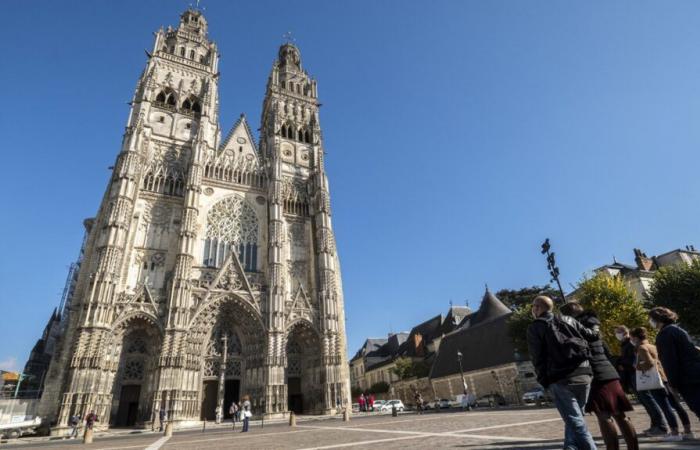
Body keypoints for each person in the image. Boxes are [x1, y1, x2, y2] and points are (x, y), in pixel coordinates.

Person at [561, 302, 638, 450]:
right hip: (609, 372)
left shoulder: (575, 328)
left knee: (604, 416)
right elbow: (606, 352)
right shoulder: (594, 326)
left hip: (594, 374)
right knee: (620, 415)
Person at [527, 295, 598, 450]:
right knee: (576, 418)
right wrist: (594, 321)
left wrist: (544, 380)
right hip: (584, 374)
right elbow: (592, 336)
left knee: (575, 421)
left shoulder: (535, 327)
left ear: (538, 308)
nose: (532, 310)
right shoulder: (569, 320)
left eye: (533, 306)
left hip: (561, 379)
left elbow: (537, 357)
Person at [631, 327, 683, 441]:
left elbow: (649, 363)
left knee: (665, 406)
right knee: (673, 405)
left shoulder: (641, 347)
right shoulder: (651, 345)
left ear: (635, 337)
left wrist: (637, 367)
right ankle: (683, 429)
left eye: (632, 337)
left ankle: (674, 432)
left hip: (654, 380)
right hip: (662, 377)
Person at [650, 306, 700, 424]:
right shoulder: (677, 330)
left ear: (658, 319)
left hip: (687, 378)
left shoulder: (664, 335)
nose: (650, 321)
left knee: (697, 405)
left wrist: (672, 383)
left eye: (651, 318)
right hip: (695, 373)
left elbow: (669, 361)